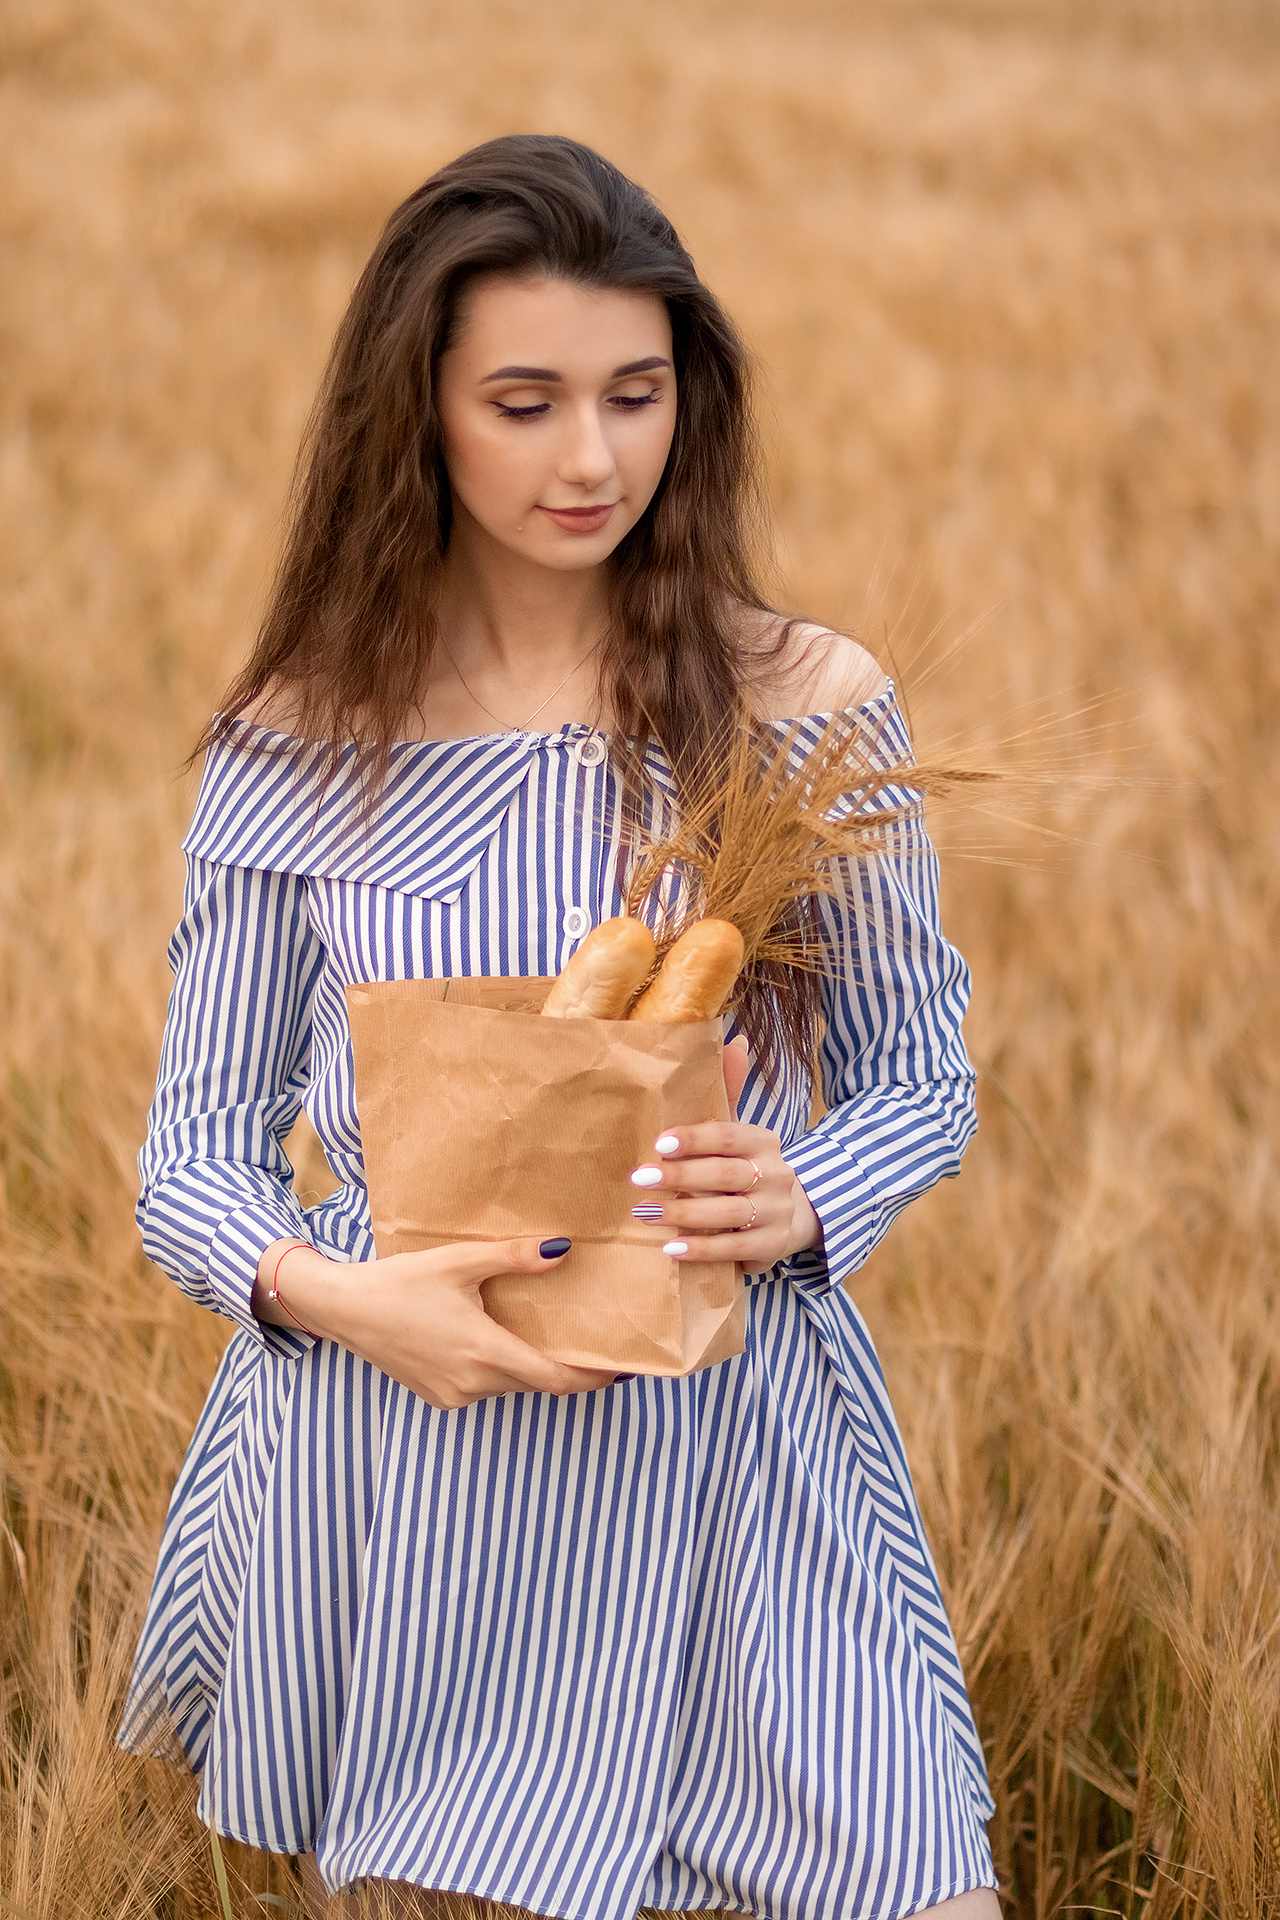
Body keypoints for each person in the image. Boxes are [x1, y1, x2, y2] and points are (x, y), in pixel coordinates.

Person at [120, 135, 1000, 1920]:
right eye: (524, 403)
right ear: (419, 413)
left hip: (729, 1452)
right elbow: (193, 1155)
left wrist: (807, 1196)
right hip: (401, 1472)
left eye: (635, 395)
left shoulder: (806, 708)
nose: (591, 458)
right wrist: (341, 1301)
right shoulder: (297, 743)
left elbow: (921, 1077)